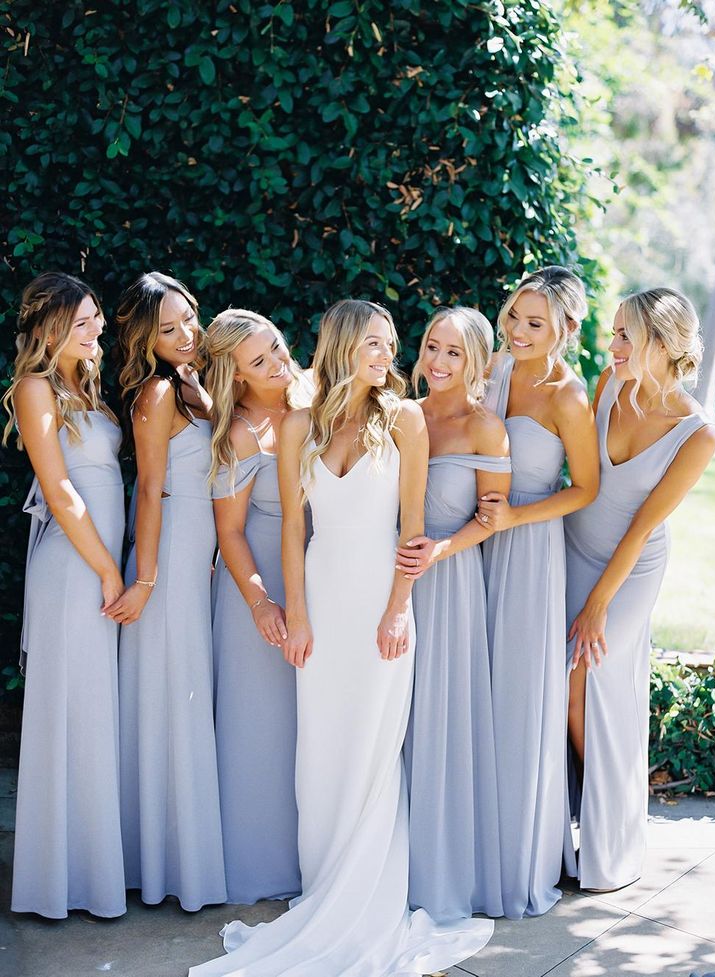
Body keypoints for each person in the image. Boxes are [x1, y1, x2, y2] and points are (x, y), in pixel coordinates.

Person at [189, 299, 492, 977]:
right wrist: (295, 612)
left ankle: (367, 904)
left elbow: (412, 529)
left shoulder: (406, 419)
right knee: (321, 751)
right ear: (343, 346)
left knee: (374, 753)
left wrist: (396, 611)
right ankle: (325, 889)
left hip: (380, 600)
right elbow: (295, 530)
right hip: (322, 599)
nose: (388, 356)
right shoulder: (301, 424)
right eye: (374, 345)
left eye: (391, 345)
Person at [564, 287, 715, 892]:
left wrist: (599, 603)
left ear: (661, 343)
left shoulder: (696, 433)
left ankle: (611, 829)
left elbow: (642, 525)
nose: (613, 343)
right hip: (572, 550)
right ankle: (565, 822)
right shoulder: (606, 384)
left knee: (582, 677)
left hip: (630, 569)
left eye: (626, 335)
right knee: (560, 688)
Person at [3, 272, 126, 918]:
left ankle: (94, 873)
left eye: (96, 319)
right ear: (50, 329)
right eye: (82, 322)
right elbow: (59, 493)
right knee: (69, 712)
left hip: (98, 566)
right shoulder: (35, 387)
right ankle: (57, 881)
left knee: (94, 711)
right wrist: (109, 569)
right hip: (74, 567)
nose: (96, 329)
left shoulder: (88, 387)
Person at [479, 266, 599, 918]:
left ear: (564, 330)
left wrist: (515, 518)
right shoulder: (493, 366)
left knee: (521, 691)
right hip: (475, 539)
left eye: (535, 323)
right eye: (514, 316)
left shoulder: (566, 396)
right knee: (477, 683)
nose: (519, 331)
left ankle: (519, 851)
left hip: (527, 549)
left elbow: (586, 487)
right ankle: (471, 839)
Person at [109, 271, 226, 910]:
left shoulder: (192, 388)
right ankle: (161, 864)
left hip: (197, 554)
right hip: (169, 556)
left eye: (188, 321)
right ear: (144, 338)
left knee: (184, 693)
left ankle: (174, 856)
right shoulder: (156, 394)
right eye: (168, 329)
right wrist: (147, 577)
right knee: (170, 696)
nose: (185, 336)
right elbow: (150, 488)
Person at [395, 306, 511, 921]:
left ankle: (435, 870)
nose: (438, 362)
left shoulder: (484, 428)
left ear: (478, 363)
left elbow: (491, 516)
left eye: (454, 354)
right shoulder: (395, 409)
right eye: (432, 347)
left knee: (435, 712)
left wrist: (438, 550)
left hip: (447, 578)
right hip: (383, 575)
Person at [206, 309, 311, 904]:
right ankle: (258, 865)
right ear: (236, 375)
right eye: (260, 362)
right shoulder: (239, 432)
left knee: (307, 723)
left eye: (276, 347)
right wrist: (262, 604)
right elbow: (231, 534)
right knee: (260, 725)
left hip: (314, 576)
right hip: (258, 587)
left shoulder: (315, 392)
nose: (277, 364)